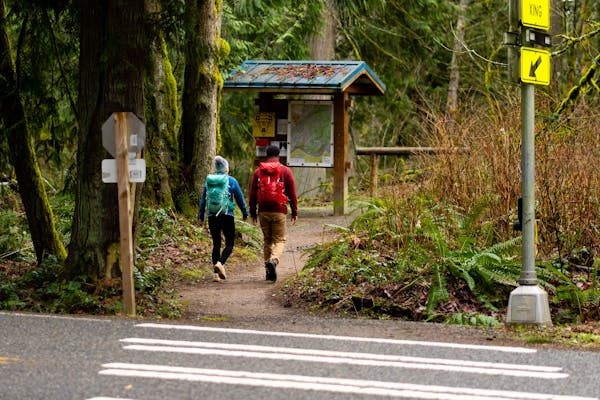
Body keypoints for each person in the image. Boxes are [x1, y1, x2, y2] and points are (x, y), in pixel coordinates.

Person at [249, 144, 298, 282]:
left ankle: (267, 271)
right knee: (280, 239)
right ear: (279, 155)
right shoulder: (286, 171)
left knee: (267, 240)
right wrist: (294, 211)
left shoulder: (259, 171)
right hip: (279, 210)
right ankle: (274, 261)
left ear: (266, 155)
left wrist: (253, 211)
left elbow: (252, 194)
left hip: (263, 211)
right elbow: (292, 193)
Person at [198, 156, 249, 282]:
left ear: (216, 169)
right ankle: (220, 263)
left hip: (212, 216)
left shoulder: (209, 181)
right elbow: (240, 198)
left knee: (216, 243)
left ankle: (216, 275)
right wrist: (245, 212)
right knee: (230, 243)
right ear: (226, 168)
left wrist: (201, 217)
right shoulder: (231, 181)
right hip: (227, 215)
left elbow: (203, 200)